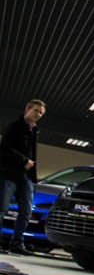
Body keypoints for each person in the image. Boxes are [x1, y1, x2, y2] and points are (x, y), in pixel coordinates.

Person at [0, 99, 46, 255]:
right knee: (2, 209)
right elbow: (4, 149)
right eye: (36, 111)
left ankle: (17, 243)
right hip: (9, 174)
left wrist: (33, 177)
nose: (38, 114)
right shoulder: (14, 127)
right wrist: (23, 161)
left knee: (26, 211)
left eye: (41, 113)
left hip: (25, 177)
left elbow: (32, 154)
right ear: (27, 109)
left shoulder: (34, 131)